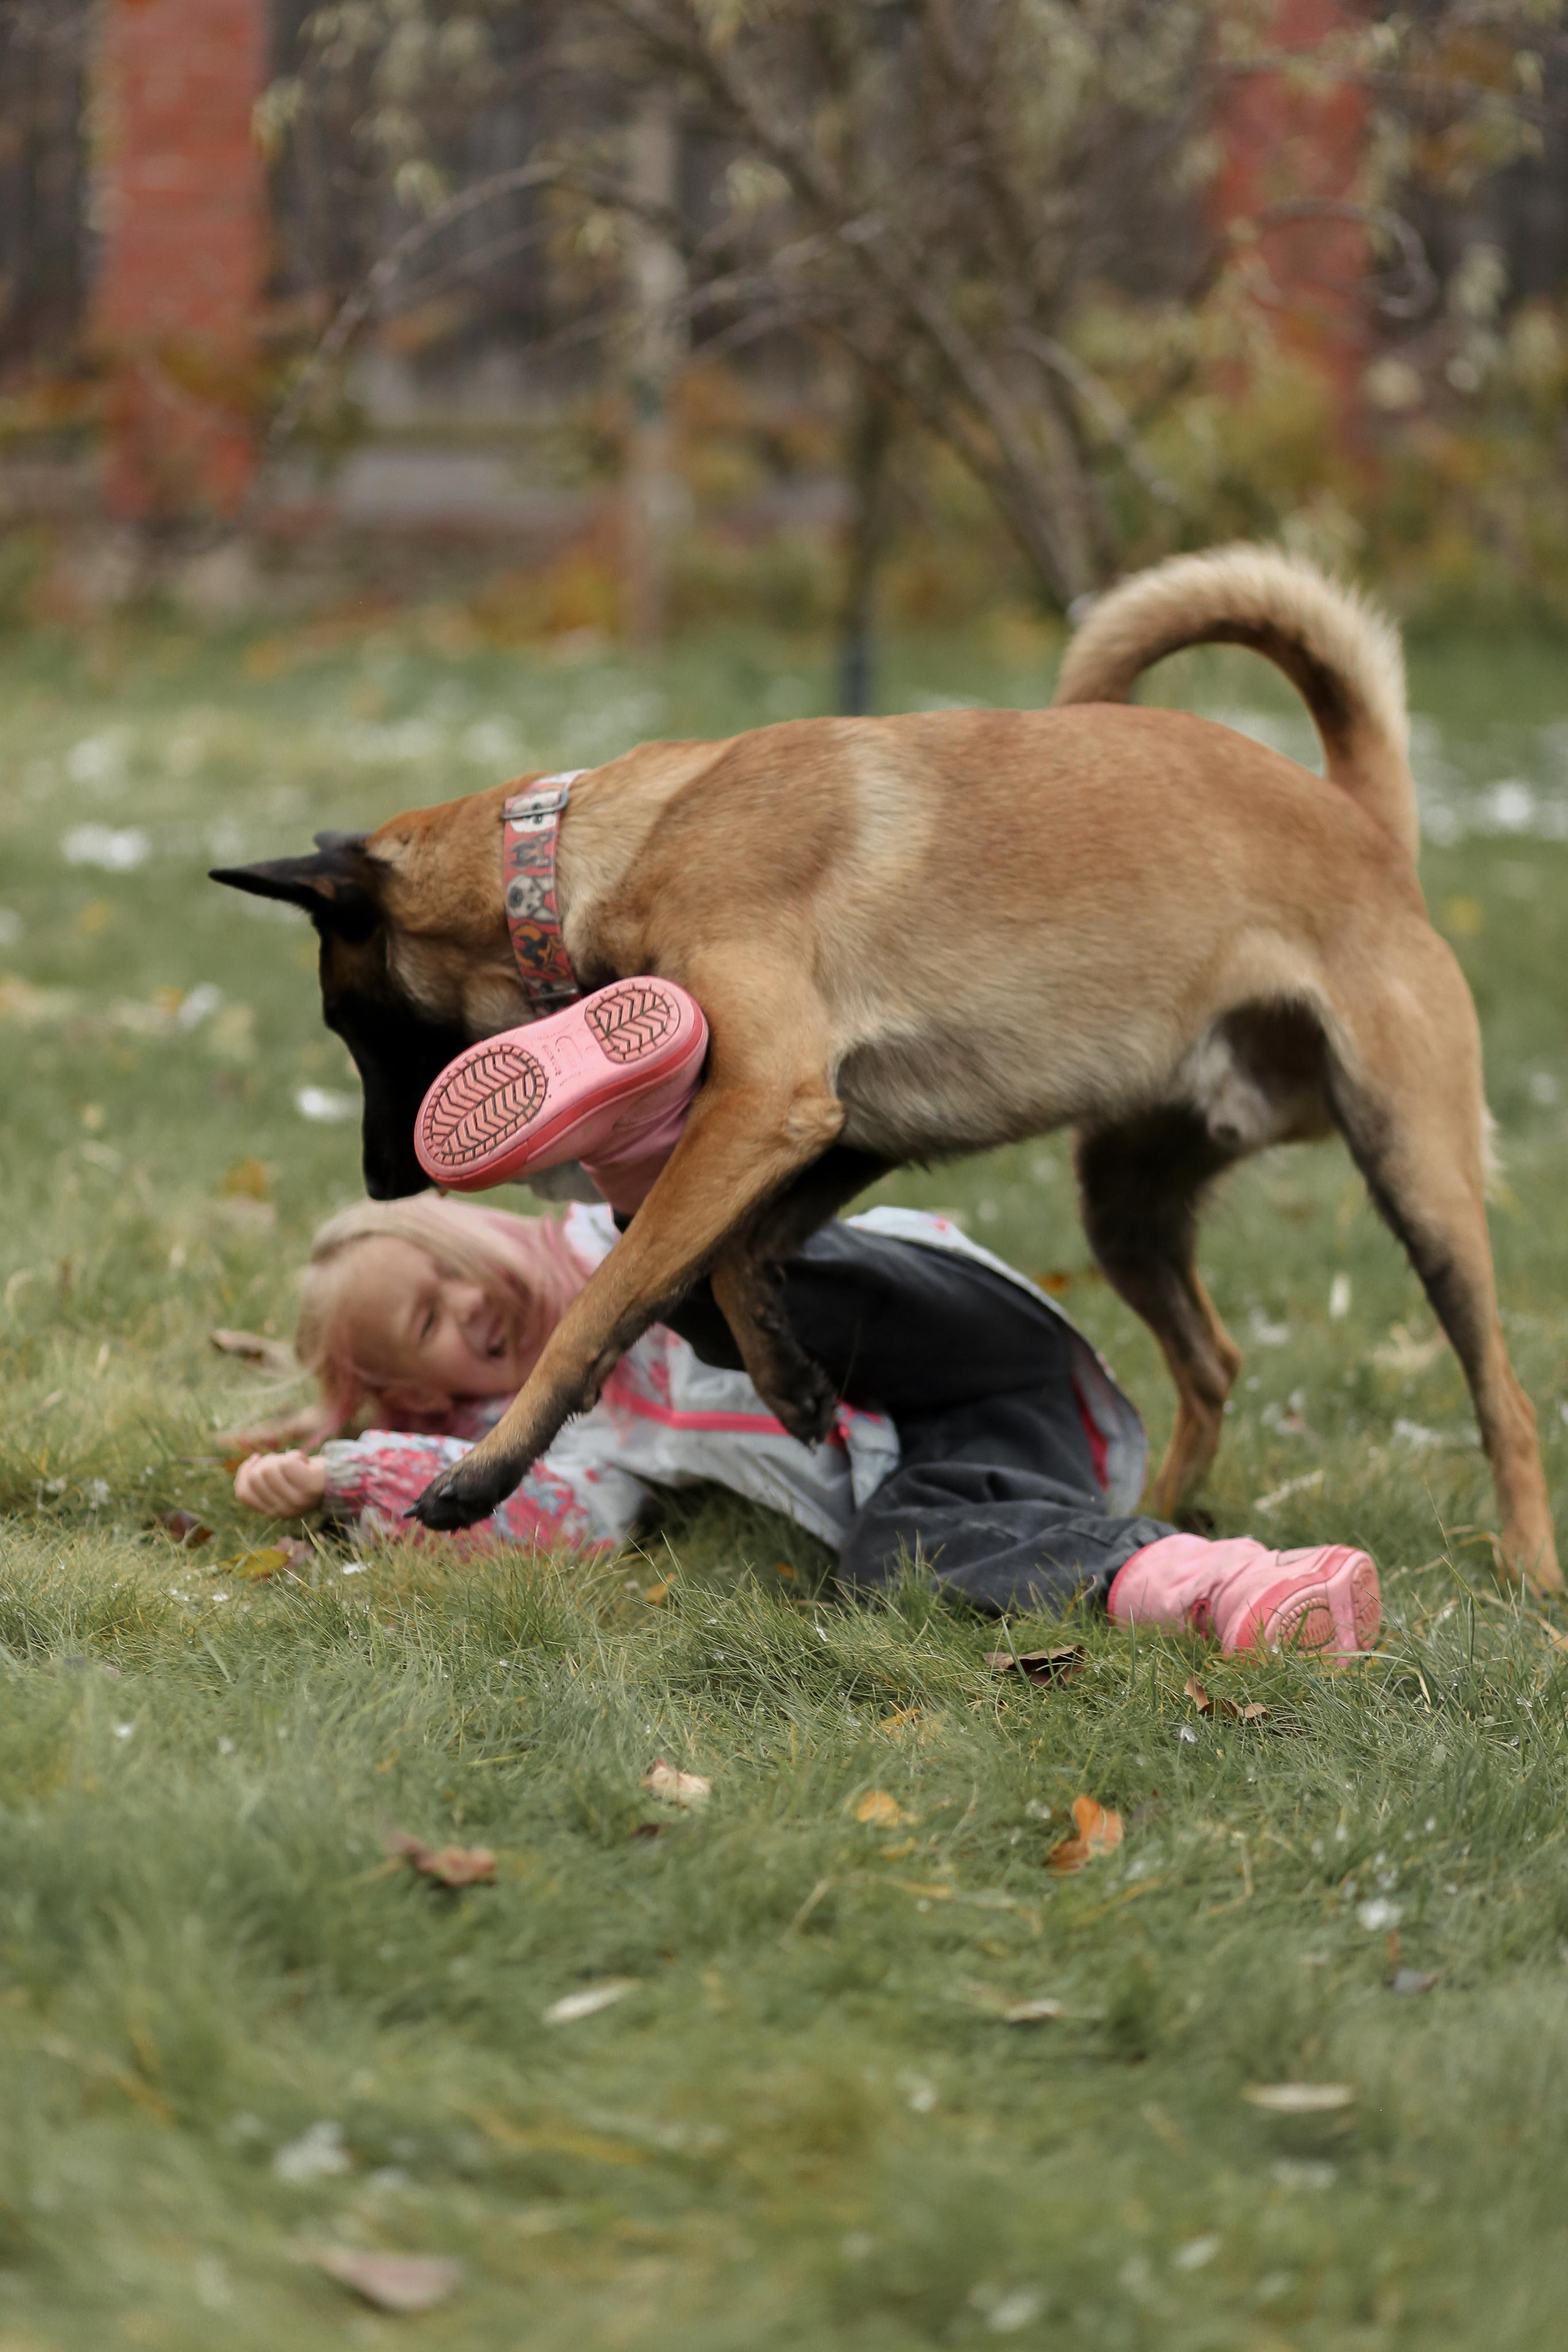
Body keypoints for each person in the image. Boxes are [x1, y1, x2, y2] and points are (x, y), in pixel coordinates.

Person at [234, 980, 1381, 1655]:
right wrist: (356, 1477)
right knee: (893, 1559)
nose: (469, 1306)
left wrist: (642, 1245)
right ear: (432, 1395)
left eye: (454, 1272)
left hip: (921, 1326)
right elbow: (562, 1520)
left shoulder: (582, 1257)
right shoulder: (582, 1435)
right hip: (983, 1450)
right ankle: (1233, 1587)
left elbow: (773, 1282)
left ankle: (648, 1153)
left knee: (700, 1282)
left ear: (486, 1229)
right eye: (429, 1326)